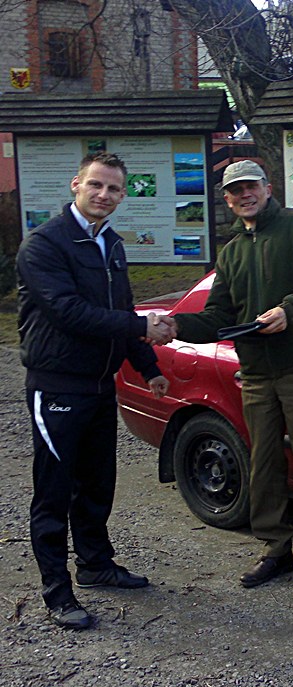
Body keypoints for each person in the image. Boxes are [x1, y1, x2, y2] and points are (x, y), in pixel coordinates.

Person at [163, 160, 293, 601]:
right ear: (227, 200)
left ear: (267, 188)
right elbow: (219, 317)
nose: (243, 195)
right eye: (234, 191)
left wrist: (290, 310)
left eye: (250, 187)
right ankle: (275, 547)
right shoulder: (231, 253)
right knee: (263, 462)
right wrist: (173, 326)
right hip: (258, 373)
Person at [16, 152, 174, 630]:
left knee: (97, 481)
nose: (104, 195)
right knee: (54, 491)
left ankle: (94, 566)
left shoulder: (111, 243)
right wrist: (141, 324)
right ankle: (57, 592)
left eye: (115, 189)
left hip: (100, 385)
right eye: (96, 185)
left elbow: (120, 308)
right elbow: (69, 313)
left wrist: (147, 366)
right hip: (58, 385)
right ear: (76, 186)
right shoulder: (44, 245)